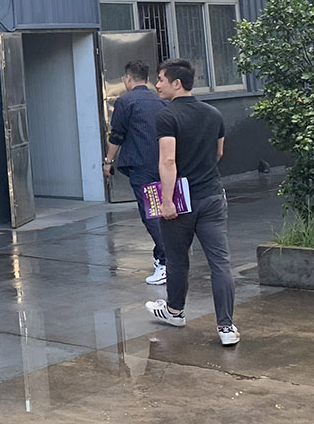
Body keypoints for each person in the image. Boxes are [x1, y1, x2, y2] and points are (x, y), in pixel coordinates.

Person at [144, 58, 240, 346]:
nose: (157, 85)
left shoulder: (166, 116)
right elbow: (219, 153)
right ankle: (226, 327)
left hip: (181, 202)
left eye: (161, 79)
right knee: (220, 262)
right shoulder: (213, 113)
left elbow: (168, 160)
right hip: (212, 196)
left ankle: (175, 311)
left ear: (176, 83)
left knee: (177, 259)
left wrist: (167, 201)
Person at [102, 60, 168, 285]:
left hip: (141, 167)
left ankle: (166, 261)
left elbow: (117, 135)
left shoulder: (125, 101)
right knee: (164, 211)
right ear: (148, 80)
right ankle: (163, 256)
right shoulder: (161, 102)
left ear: (127, 79)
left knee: (151, 214)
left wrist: (108, 161)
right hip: (164, 166)